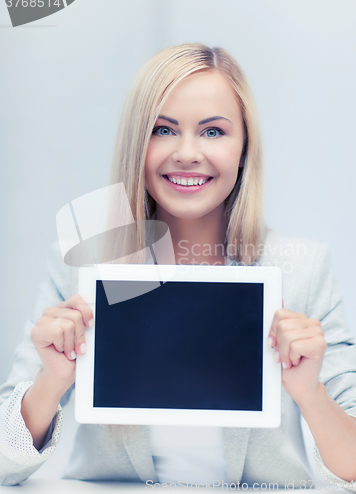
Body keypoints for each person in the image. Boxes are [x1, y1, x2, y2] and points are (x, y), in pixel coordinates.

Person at [1, 43, 356, 488]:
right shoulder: (81, 265)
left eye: (213, 132)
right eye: (163, 129)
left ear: (244, 148)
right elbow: (4, 463)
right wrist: (50, 382)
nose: (187, 153)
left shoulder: (302, 268)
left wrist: (310, 393)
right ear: (138, 145)